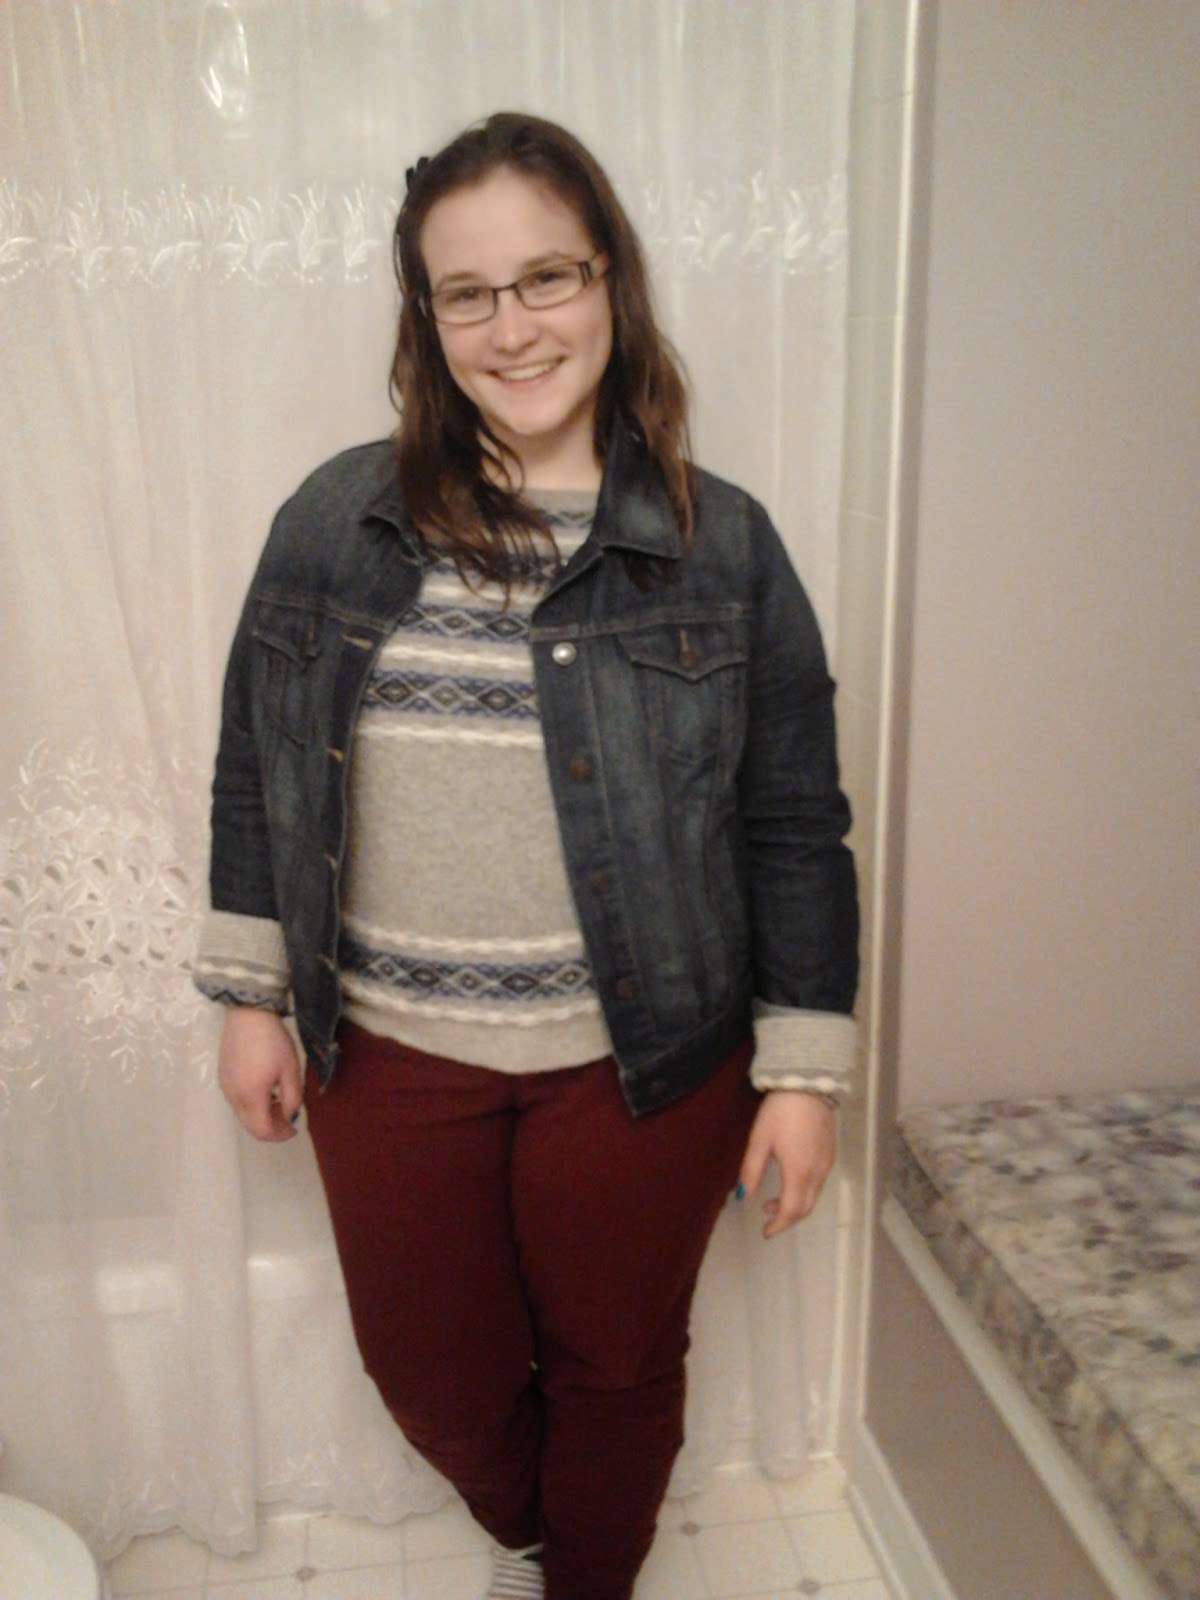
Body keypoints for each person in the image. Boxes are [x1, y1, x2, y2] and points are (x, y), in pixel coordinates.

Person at [195, 111, 858, 1600]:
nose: (514, 327)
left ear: (611, 279)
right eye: (468, 293)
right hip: (389, 1051)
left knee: (618, 1364)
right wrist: (251, 995)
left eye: (547, 276)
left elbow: (792, 822)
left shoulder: (722, 545)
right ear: (427, 319)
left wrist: (803, 1076)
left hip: (643, 1060)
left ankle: (581, 1582)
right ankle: (543, 1536)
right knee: (431, 1371)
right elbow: (257, 759)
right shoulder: (333, 518)